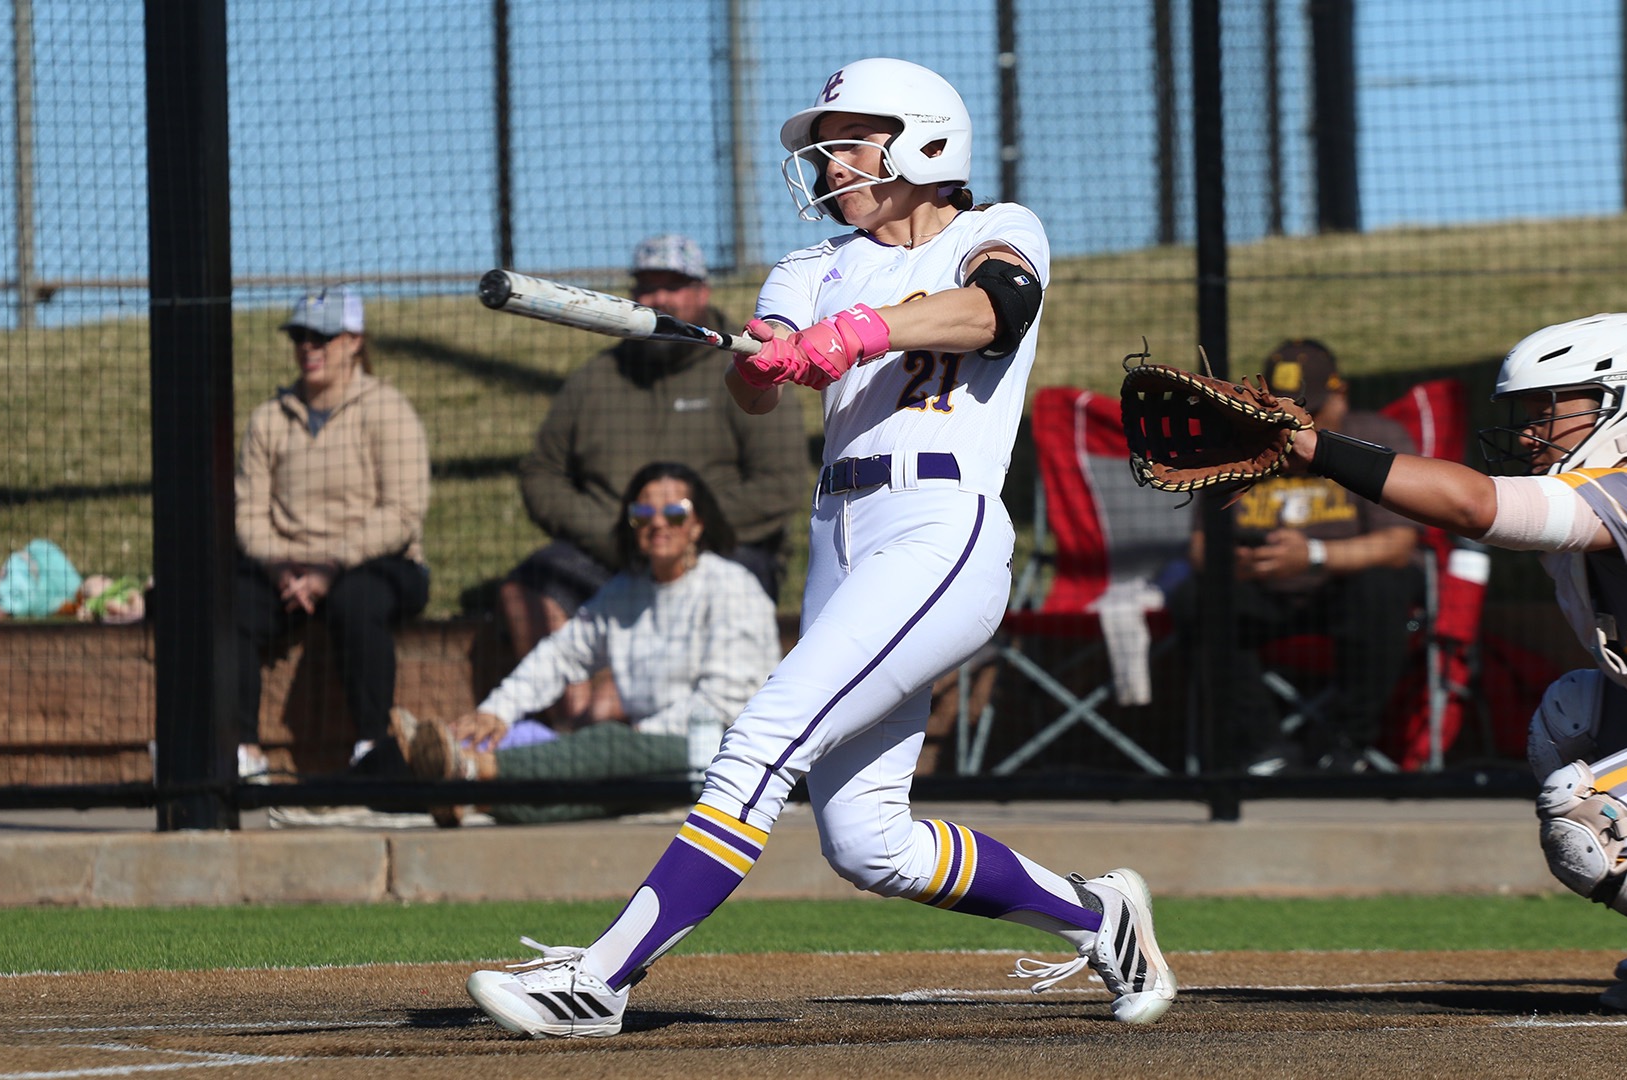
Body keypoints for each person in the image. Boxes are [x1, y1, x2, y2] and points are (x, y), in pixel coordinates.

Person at [465, 57, 1176, 1039]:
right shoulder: (811, 265)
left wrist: (860, 333)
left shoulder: (996, 230)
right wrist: (768, 360)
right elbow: (758, 379)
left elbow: (994, 312)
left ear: (922, 139)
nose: (830, 159)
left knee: (763, 734)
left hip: (942, 530)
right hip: (842, 536)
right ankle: (1100, 918)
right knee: (870, 843)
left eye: (850, 138)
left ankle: (601, 978)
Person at [1281, 311, 1627, 1012]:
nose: (1531, 432)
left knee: (1588, 811)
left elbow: (1473, 504)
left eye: (1549, 411)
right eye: (1525, 413)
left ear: (1625, 399)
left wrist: (1316, 447)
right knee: (1575, 714)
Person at [500, 234, 809, 694]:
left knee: (740, 584)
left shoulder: (746, 366)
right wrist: (618, 534)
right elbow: (541, 474)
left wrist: (681, 530)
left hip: (722, 553)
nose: (659, 298)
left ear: (703, 292)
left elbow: (782, 484)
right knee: (528, 585)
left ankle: (709, 734)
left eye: (674, 285)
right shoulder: (596, 379)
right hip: (610, 551)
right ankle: (573, 734)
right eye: (646, 287)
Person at [398, 462, 781, 826]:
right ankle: (461, 792)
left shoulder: (732, 587)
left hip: (717, 752)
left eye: (675, 513)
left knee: (604, 747)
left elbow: (723, 704)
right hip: (644, 750)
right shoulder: (624, 593)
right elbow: (559, 656)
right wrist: (496, 712)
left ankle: (468, 771)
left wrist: (638, 737)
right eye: (643, 514)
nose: (657, 523)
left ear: (697, 525)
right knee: (573, 787)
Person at [1176, 340, 1423, 775]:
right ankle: (1263, 748)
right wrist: (1239, 563)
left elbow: (1398, 545)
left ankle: (1345, 745)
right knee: (1197, 596)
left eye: (1311, 410)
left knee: (1384, 587)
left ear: (1341, 395)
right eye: (1282, 411)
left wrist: (1312, 555)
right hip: (1260, 588)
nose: (1294, 425)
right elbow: (1199, 548)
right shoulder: (1236, 446)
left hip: (1341, 590)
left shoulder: (1377, 438)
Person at [233, 286, 431, 780]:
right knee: (229, 604)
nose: (308, 347)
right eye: (300, 335)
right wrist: (282, 566)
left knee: (357, 604)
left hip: (375, 561)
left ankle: (372, 747)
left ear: (354, 341)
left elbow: (403, 511)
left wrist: (332, 565)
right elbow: (247, 516)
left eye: (322, 336)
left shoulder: (387, 409)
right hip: (286, 569)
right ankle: (241, 751)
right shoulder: (268, 420)